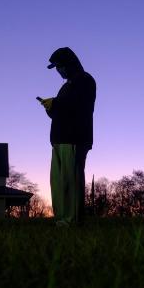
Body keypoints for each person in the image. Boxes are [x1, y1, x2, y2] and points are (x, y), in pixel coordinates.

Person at [40, 47, 96, 226]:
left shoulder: (85, 80)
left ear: (70, 64)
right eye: (56, 67)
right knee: (58, 182)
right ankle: (62, 219)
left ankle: (72, 220)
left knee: (71, 180)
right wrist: (51, 108)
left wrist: (55, 103)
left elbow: (79, 107)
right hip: (59, 139)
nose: (58, 71)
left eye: (60, 66)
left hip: (75, 138)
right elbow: (61, 111)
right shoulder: (66, 86)